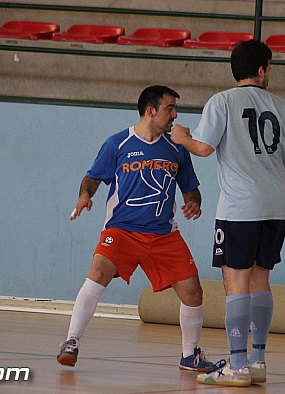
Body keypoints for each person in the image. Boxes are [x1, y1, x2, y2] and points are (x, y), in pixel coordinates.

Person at [171, 40, 285, 387]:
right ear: (261, 69)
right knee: (261, 278)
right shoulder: (283, 106)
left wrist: (182, 137)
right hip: (277, 206)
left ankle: (236, 365)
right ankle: (258, 360)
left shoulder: (222, 101)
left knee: (236, 281)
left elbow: (203, 148)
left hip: (239, 207)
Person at [57, 85, 215, 373]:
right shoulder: (117, 143)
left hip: (163, 234)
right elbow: (92, 178)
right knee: (97, 274)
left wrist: (194, 204)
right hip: (122, 230)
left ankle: (189, 356)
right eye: (170, 109)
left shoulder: (178, 148)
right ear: (151, 111)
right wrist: (84, 197)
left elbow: (191, 190)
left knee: (193, 292)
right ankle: (71, 341)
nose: (175, 115)